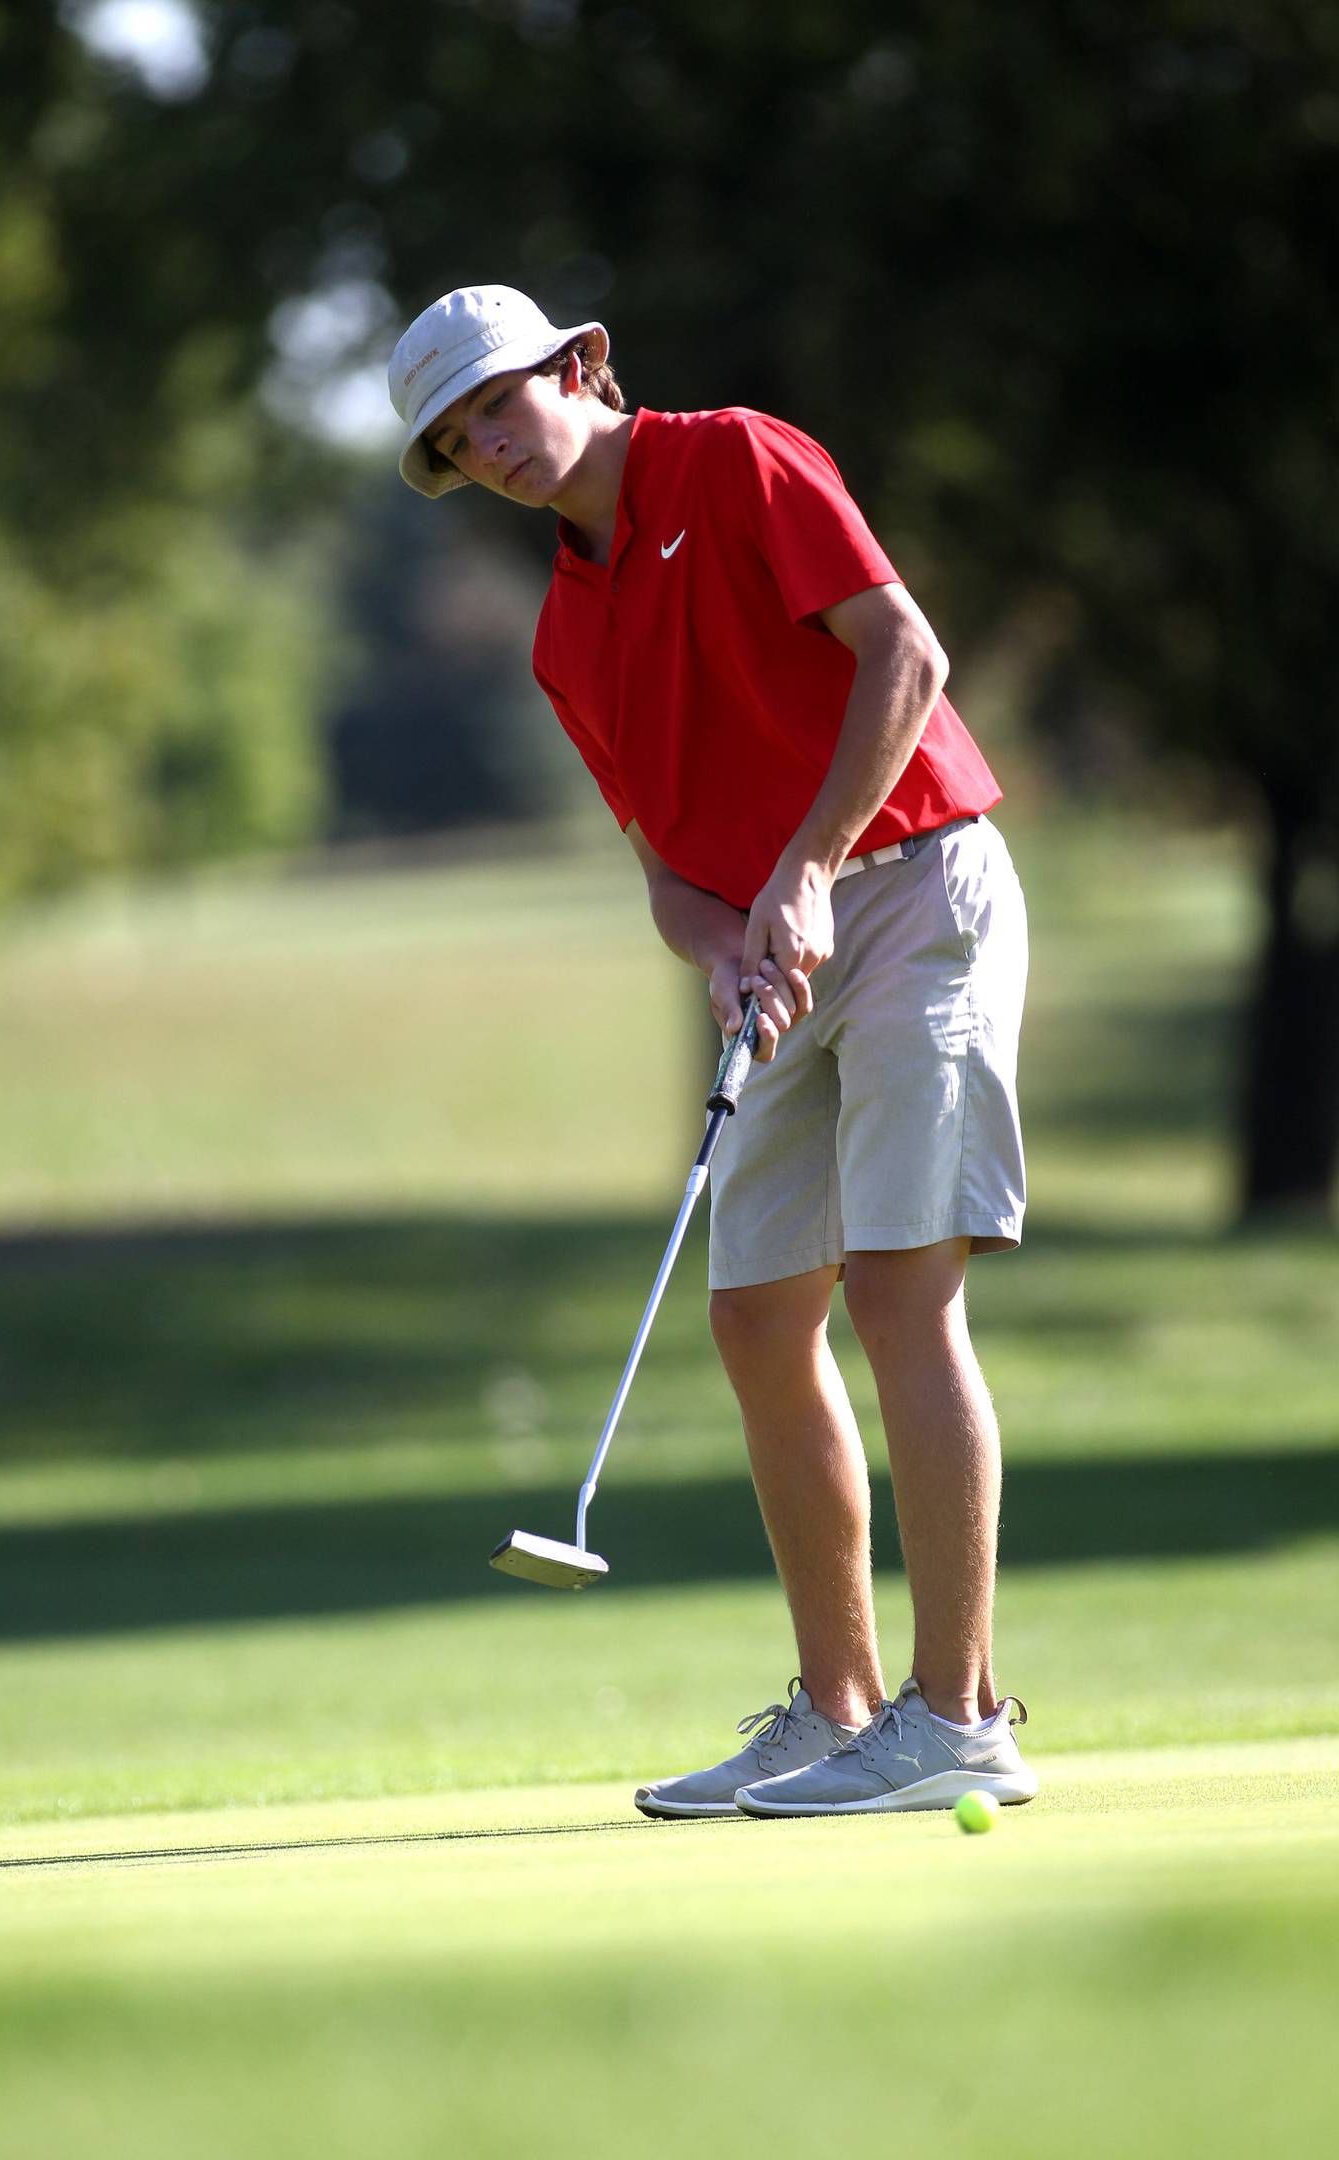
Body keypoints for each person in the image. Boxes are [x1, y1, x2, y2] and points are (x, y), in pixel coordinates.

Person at [387, 285, 1037, 1819]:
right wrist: (725, 940)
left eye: (498, 404)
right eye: (455, 440)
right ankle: (836, 1707)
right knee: (755, 1314)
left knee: (899, 1285)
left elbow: (907, 656)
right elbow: (665, 871)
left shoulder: (740, 459)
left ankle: (959, 1720)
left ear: (583, 367)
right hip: (774, 955)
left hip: (918, 892)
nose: (487, 447)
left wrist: (805, 868)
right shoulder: (566, 630)